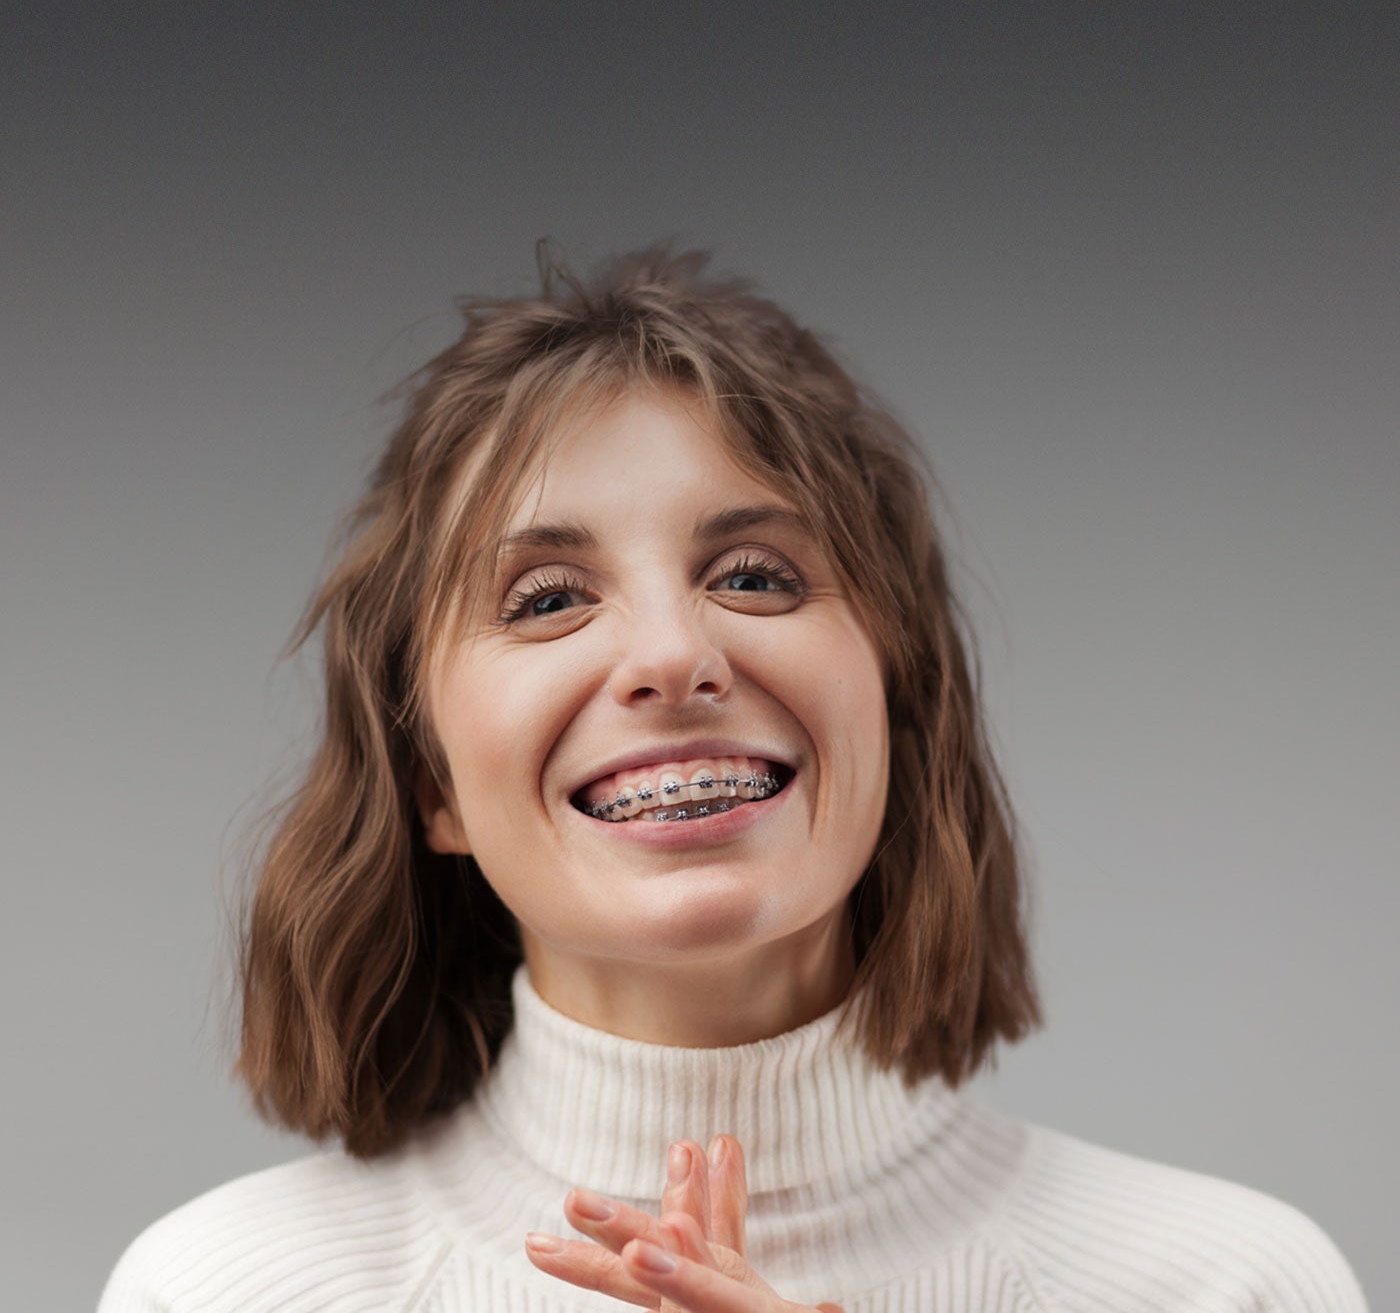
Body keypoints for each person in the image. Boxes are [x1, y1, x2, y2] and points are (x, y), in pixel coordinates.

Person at [99, 246, 1368, 1313]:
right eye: (546, 599)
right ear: (428, 780)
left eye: (754, 576)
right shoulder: (222, 1291)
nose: (670, 654)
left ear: (895, 711)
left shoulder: (1224, 1286)